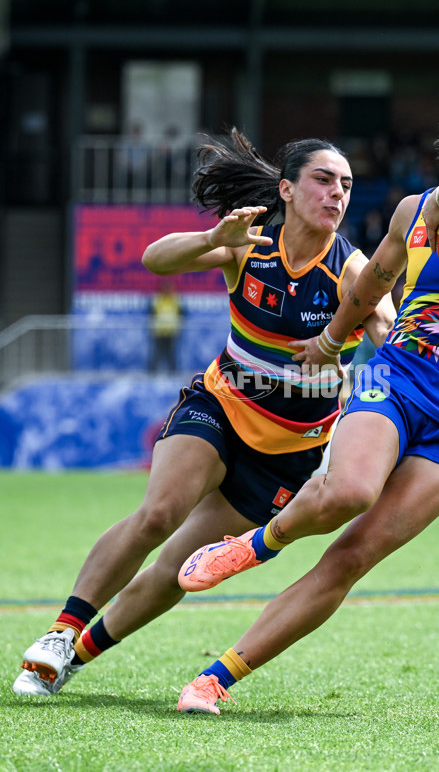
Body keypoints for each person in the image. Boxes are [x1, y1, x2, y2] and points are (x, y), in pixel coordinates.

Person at [175, 77, 439, 715]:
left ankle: (215, 679)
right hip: (395, 375)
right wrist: (330, 341)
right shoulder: (413, 212)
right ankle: (255, 544)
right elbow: (377, 275)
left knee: (352, 555)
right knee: (350, 491)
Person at [12, 129, 395, 696]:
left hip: (289, 450)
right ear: (286, 190)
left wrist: (353, 337)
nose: (337, 193)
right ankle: (59, 633)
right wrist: (211, 236)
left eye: (346, 184)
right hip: (222, 401)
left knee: (179, 567)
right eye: (322, 179)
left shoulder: (349, 267)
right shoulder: (249, 243)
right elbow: (153, 259)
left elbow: (381, 319)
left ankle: (71, 660)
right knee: (159, 514)